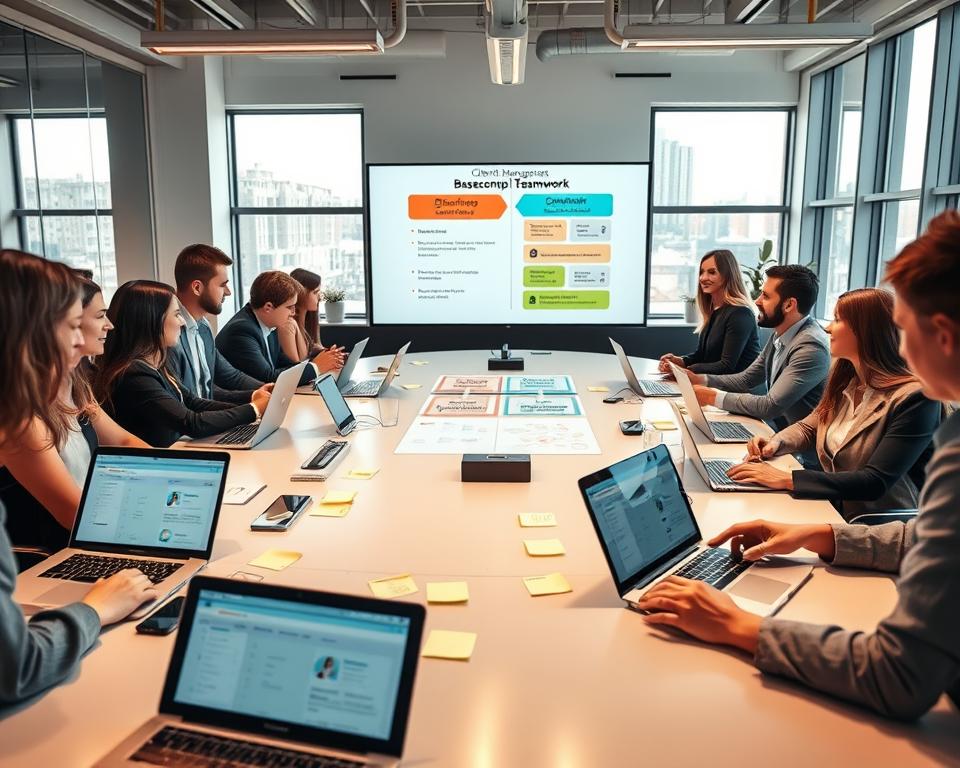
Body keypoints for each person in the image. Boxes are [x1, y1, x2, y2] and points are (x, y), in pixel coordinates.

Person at [636, 210, 960, 721]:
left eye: (903, 327)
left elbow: (899, 674)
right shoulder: (862, 384)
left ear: (941, 334)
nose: (829, 327)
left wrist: (739, 626)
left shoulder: (937, 425)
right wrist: (818, 536)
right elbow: (926, 540)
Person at [0, 250, 157, 706]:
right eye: (74, 325)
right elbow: (18, 668)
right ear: (29, 337)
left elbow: (125, 442)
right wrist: (94, 610)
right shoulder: (21, 424)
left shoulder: (73, 392)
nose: (80, 343)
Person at [725, 287, 939, 520]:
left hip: (880, 525)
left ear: (866, 331)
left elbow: (874, 482)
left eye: (837, 319)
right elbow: (809, 426)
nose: (827, 327)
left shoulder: (917, 399)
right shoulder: (847, 380)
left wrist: (786, 479)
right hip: (835, 511)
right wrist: (776, 443)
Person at [0, 264, 148, 553]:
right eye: (73, 326)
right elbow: (72, 514)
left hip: (91, 534)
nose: (110, 326)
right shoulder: (23, 418)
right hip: (57, 553)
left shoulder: (74, 385)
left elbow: (122, 440)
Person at [674, 265, 830, 466]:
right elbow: (747, 378)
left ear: (789, 305)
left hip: (803, 458)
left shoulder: (810, 346)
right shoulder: (782, 334)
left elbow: (769, 405)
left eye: (765, 296)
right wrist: (702, 379)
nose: (756, 301)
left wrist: (712, 397)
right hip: (773, 440)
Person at [96, 280, 272, 448]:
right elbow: (191, 422)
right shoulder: (133, 374)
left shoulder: (157, 364)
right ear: (152, 321)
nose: (181, 322)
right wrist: (253, 409)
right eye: (177, 314)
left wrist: (253, 403)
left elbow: (194, 402)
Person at [167, 244, 264, 403]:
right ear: (197, 287)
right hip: (192, 424)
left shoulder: (203, 327)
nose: (228, 291)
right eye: (222, 284)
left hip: (207, 420)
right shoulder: (169, 333)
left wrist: (269, 389)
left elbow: (227, 378)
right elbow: (184, 402)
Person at [216, 270, 344, 386]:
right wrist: (316, 367)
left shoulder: (268, 324)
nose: (293, 312)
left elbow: (283, 364)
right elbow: (268, 377)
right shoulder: (242, 330)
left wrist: (320, 362)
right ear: (268, 307)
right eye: (290, 307)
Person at [659, 250, 760, 375]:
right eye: (701, 272)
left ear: (728, 275)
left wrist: (684, 371)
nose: (703, 278)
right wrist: (679, 361)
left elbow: (726, 366)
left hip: (737, 392)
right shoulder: (714, 311)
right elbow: (702, 356)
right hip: (714, 385)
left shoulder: (740, 314)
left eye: (712, 272)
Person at [278, 267, 344, 364]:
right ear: (301, 294)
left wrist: (328, 353)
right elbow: (296, 367)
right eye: (315, 292)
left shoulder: (309, 319)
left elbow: (315, 347)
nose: (320, 297)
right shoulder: (288, 325)